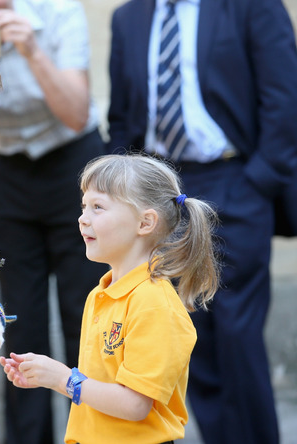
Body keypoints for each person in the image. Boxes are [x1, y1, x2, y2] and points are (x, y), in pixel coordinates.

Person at [106, 1, 297, 442]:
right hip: (160, 195)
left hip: (235, 181)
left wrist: (258, 182)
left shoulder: (251, 7)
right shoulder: (128, 18)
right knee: (190, 340)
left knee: (237, 338)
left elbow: (284, 100)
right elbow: (121, 120)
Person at [0, 1, 108, 442]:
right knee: (20, 327)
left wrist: (32, 49)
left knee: (85, 316)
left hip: (74, 166)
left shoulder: (59, 13)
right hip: (8, 174)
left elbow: (76, 114)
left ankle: (96, 432)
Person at [0, 154, 220, 443]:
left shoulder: (153, 304)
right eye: (83, 206)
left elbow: (134, 405)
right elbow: (99, 390)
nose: (82, 218)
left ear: (145, 222)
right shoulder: (100, 294)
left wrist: (62, 378)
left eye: (98, 207)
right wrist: (45, 375)